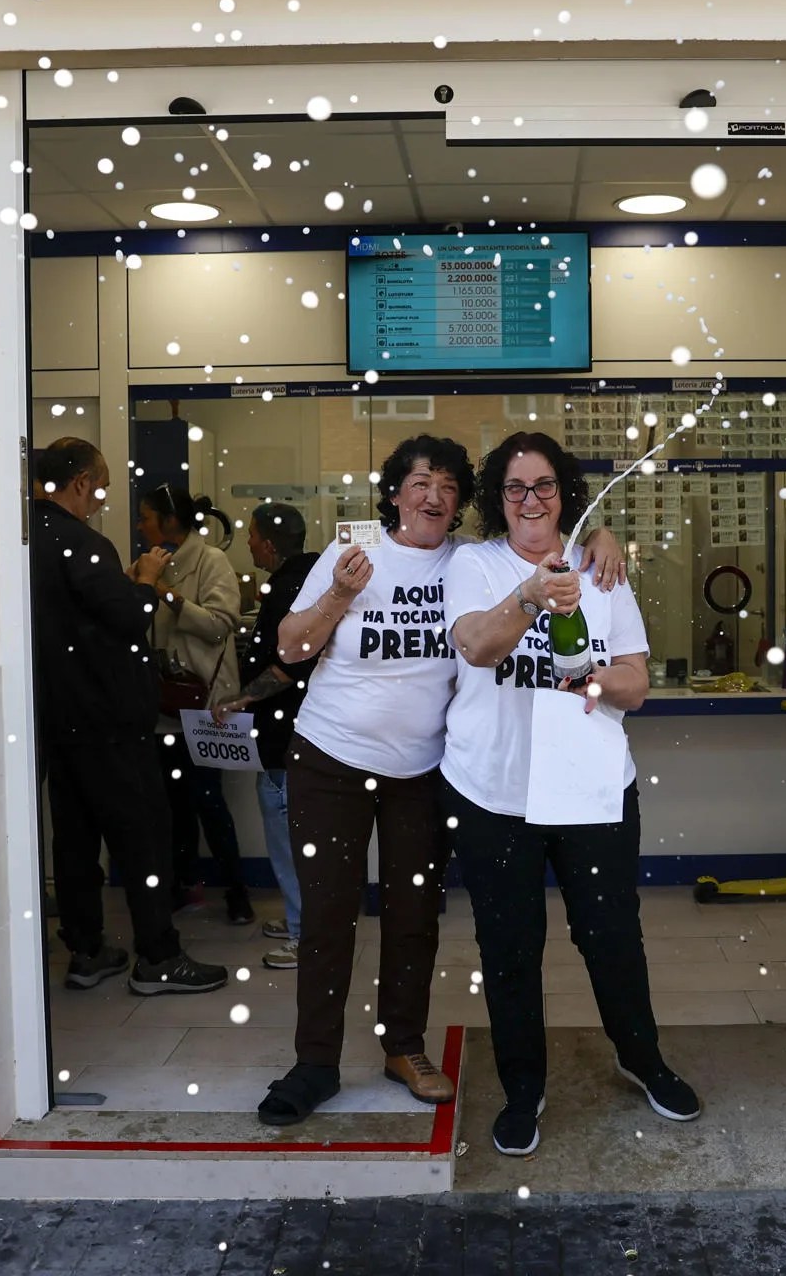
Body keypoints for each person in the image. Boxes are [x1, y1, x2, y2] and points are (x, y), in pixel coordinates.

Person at [255, 435, 627, 1126]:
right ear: (394, 492)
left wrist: (602, 534)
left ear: (463, 503)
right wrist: (340, 593)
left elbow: (546, 535)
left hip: (422, 772)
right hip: (330, 760)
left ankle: (403, 1048)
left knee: (414, 919)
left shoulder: (468, 561)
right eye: (420, 481)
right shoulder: (349, 557)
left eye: (449, 486)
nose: (433, 495)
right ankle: (314, 1064)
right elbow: (290, 646)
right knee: (329, 918)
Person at [442, 431, 700, 1157]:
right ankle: (524, 1089)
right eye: (517, 487)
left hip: (590, 790)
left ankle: (641, 1056)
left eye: (545, 485)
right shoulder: (472, 563)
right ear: (499, 498)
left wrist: (585, 680)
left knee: (611, 935)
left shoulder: (601, 567)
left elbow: (636, 683)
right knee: (510, 946)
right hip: (493, 793)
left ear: (565, 494)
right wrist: (530, 595)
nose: (531, 499)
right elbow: (478, 646)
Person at [28, 439, 227, 996]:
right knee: (142, 837)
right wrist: (142, 580)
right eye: (101, 483)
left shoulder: (23, 541)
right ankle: (158, 956)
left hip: (56, 717)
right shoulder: (82, 543)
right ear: (80, 483)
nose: (103, 495)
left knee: (74, 841)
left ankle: (86, 950)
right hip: (109, 721)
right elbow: (127, 620)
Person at [137, 483, 252, 926]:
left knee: (209, 802)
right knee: (172, 805)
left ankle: (236, 890)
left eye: (146, 516)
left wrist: (165, 591)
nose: (140, 524)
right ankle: (183, 886)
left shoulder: (211, 561)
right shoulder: (153, 562)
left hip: (205, 706)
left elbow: (221, 625)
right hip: (165, 704)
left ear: (169, 521)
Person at [214, 501, 318, 970]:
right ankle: (300, 918)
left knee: (286, 830)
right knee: (291, 830)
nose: (249, 542)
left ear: (270, 543)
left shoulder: (290, 587)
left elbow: (290, 663)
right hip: (295, 731)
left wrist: (242, 699)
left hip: (287, 733)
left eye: (252, 534)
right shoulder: (305, 578)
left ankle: (304, 932)